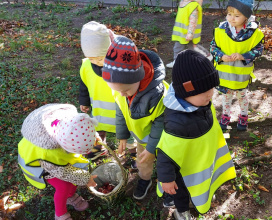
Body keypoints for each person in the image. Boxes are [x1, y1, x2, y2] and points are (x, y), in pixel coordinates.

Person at [156, 50, 237, 219]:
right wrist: (167, 179)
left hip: (200, 163)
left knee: (200, 184)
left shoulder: (202, 104)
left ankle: (200, 196)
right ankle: (182, 211)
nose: (210, 94)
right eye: (203, 91)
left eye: (211, 88)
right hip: (182, 173)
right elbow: (165, 154)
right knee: (182, 194)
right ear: (186, 92)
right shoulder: (176, 123)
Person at [102, 36, 173, 206]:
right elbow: (121, 111)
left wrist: (151, 149)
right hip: (142, 137)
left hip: (163, 139)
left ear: (139, 78)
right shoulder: (121, 90)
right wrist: (123, 136)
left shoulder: (156, 95)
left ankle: (169, 186)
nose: (121, 94)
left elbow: (160, 124)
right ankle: (144, 178)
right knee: (143, 161)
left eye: (125, 91)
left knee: (165, 162)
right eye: (116, 91)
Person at [18, 104, 98, 220]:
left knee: (73, 179)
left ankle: (70, 196)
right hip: (40, 164)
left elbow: (83, 129)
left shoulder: (71, 122)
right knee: (64, 185)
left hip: (55, 159)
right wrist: (85, 178)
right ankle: (60, 214)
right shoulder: (47, 152)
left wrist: (93, 137)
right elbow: (63, 172)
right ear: (64, 147)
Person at [79, 21, 137, 165]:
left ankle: (132, 153)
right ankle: (98, 148)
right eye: (92, 59)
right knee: (97, 131)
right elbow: (84, 85)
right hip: (99, 111)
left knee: (127, 133)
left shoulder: (119, 64)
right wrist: (84, 102)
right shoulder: (86, 66)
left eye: (100, 58)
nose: (97, 62)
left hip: (121, 112)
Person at [210, 0, 264, 131]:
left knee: (242, 96)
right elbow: (213, 47)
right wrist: (221, 56)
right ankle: (226, 115)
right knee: (226, 97)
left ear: (246, 16)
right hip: (225, 75)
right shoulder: (221, 30)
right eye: (229, 14)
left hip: (241, 76)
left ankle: (244, 115)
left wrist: (243, 56)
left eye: (237, 15)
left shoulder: (253, 33)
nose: (231, 18)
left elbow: (258, 50)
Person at [166, 0, 212, 68]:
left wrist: (190, 34)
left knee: (185, 48)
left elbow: (193, 22)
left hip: (187, 34)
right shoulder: (183, 4)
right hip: (182, 33)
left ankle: (177, 62)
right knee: (189, 47)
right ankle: (206, 56)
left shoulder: (193, 6)